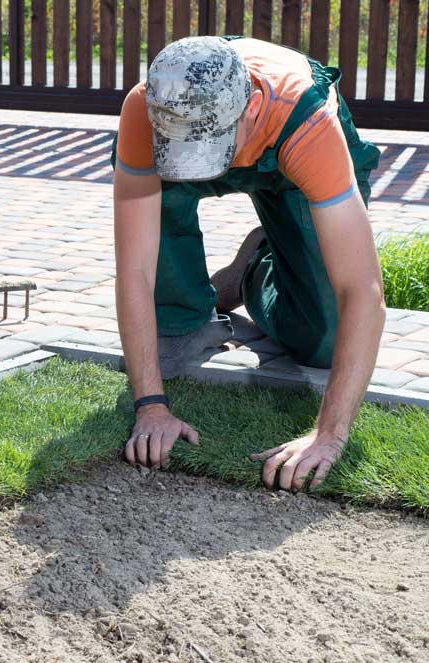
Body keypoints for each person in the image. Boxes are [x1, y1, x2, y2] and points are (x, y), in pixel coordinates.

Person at [111, 35, 385, 492]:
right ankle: (185, 318)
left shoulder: (309, 123)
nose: (202, 166)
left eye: (211, 149)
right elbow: (135, 268)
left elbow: (363, 290)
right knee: (169, 330)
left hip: (290, 140)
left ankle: (255, 269)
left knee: (322, 340)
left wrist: (329, 435)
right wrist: (151, 404)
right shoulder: (148, 109)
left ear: (253, 107)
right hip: (221, 128)